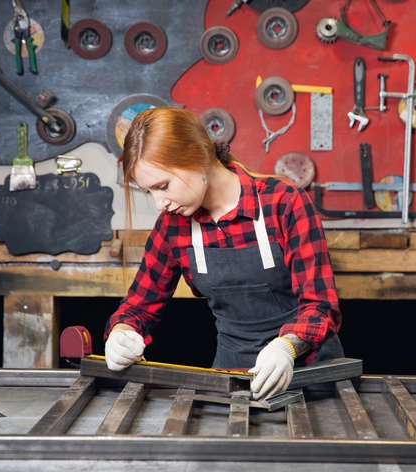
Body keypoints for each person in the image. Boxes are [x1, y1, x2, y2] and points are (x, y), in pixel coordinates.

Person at [103, 106, 344, 400]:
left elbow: (321, 307)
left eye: (163, 186)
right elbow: (138, 307)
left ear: (197, 157)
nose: (159, 203)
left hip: (309, 372)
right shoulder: (172, 227)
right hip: (232, 378)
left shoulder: (282, 202)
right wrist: (121, 333)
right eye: (149, 192)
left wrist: (287, 348)